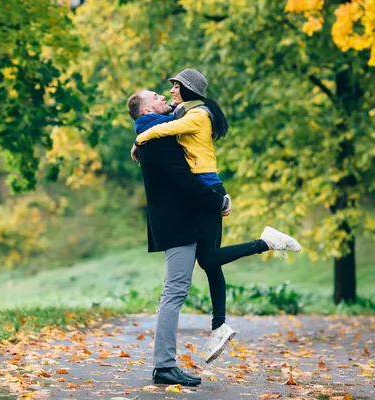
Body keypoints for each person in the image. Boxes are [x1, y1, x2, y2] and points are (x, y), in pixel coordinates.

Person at [127, 72, 302, 383]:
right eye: (156, 96)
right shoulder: (157, 142)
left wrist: (216, 197)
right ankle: (164, 366)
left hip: (188, 219)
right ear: (147, 111)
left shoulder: (161, 134)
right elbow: (184, 180)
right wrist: (217, 200)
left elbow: (187, 157)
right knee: (175, 291)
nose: (165, 95)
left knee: (205, 264)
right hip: (179, 225)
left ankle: (210, 331)